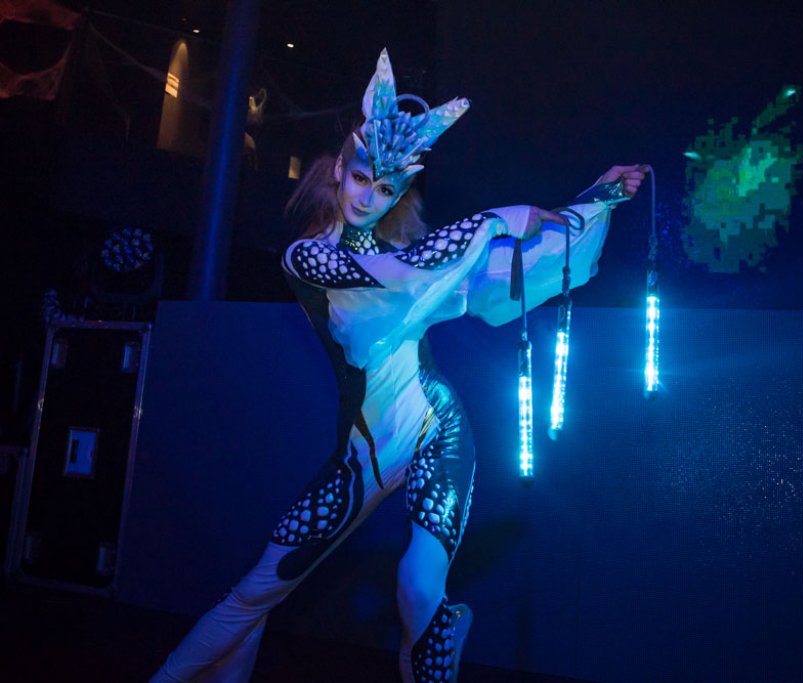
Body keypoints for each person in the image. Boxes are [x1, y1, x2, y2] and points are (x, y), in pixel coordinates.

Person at [151, 48, 648, 683]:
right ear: (339, 170)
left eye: (386, 189)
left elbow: (496, 266)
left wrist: (598, 196)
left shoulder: (413, 264)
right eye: (362, 178)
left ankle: (434, 642)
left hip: (436, 429)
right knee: (255, 592)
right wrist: (496, 219)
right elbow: (402, 271)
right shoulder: (310, 258)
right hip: (361, 455)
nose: (369, 196)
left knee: (417, 588)